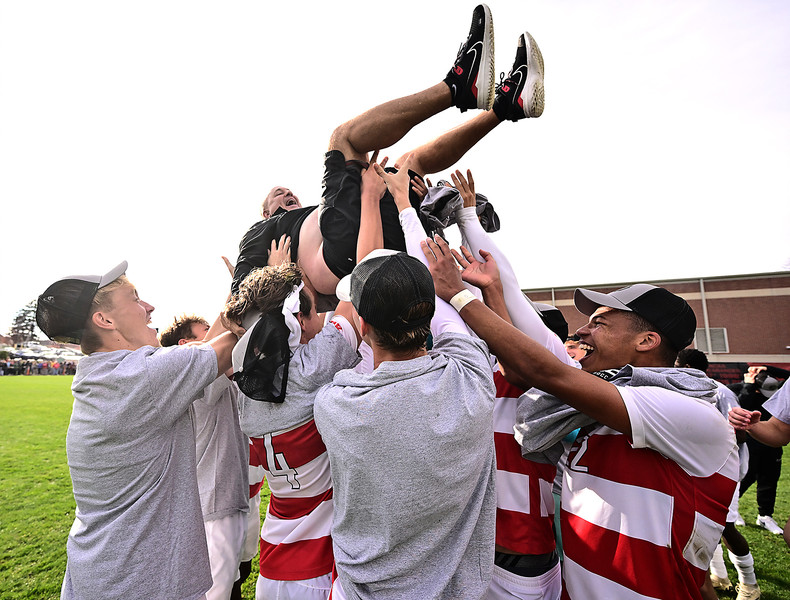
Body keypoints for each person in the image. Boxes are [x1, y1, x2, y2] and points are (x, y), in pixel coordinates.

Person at [421, 242, 739, 600]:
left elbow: (545, 372)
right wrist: (493, 291)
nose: (581, 333)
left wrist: (458, 295)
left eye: (600, 324)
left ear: (647, 340)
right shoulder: (596, 410)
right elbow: (522, 371)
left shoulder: (680, 410)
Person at [232, 3, 545, 309]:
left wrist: (415, 201)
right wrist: (276, 272)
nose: (286, 193)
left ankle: (506, 107)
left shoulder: (316, 212)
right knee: (345, 140)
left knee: (410, 164)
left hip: (389, 240)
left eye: (288, 191)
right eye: (277, 194)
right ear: (265, 213)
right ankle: (456, 86)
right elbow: (237, 305)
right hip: (347, 258)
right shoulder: (260, 233)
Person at [35, 261, 241, 600]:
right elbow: (231, 341)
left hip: (102, 576)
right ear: (105, 320)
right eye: (135, 298)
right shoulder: (142, 378)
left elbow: (205, 348)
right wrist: (266, 280)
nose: (149, 307)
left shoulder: (106, 376)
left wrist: (234, 295)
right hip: (146, 583)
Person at [224, 261, 362, 600]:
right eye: (313, 312)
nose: (319, 322)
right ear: (296, 320)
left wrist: (270, 285)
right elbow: (356, 279)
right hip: (316, 565)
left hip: (273, 558)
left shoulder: (244, 384)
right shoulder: (315, 364)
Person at [159, 314, 250, 600]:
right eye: (207, 333)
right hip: (215, 506)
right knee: (215, 594)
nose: (218, 337)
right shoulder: (197, 383)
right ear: (187, 345)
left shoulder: (211, 381)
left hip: (225, 499)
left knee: (232, 586)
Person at [676, 349, 761, 600]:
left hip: (725, 469)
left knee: (726, 527)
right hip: (697, 468)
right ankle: (720, 576)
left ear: (689, 366)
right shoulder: (681, 389)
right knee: (704, 524)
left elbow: (741, 433)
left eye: (677, 363)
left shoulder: (720, 392)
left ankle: (749, 584)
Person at [729, 379, 790, 548]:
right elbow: (779, 429)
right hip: (754, 448)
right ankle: (739, 511)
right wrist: (749, 424)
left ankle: (765, 515)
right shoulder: (745, 390)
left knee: (769, 481)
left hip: (771, 453)